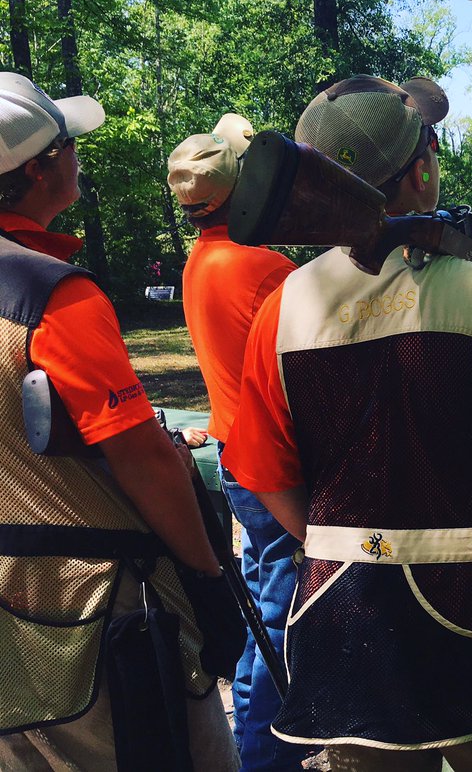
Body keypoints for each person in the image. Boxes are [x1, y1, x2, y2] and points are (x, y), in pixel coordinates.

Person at [223, 73, 472, 770]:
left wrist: (349, 546)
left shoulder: (282, 311)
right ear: (422, 169)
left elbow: (263, 476)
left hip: (347, 629)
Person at [0, 73, 237, 769]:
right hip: (98, 604)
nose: (78, 156)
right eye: (68, 144)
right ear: (41, 168)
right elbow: (142, 458)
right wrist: (207, 577)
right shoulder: (51, 295)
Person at [167, 118, 303, 771]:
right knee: (277, 614)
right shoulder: (264, 269)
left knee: (263, 600)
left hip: (236, 457)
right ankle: (264, 757)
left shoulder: (202, 260)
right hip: (275, 466)